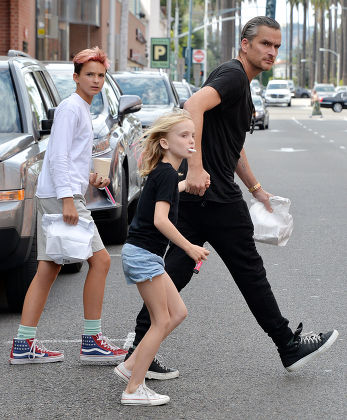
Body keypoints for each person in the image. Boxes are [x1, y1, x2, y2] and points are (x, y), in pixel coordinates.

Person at [123, 16, 339, 378]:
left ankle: (137, 352)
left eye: (276, 46)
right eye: (265, 44)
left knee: (176, 269)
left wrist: (256, 189)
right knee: (249, 272)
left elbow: (232, 147)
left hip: (203, 194)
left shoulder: (241, 83)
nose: (271, 51)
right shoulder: (235, 76)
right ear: (244, 43)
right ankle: (288, 345)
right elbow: (192, 107)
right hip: (216, 195)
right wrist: (195, 168)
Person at [9, 47, 127, 364]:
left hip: (63, 193)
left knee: (50, 267)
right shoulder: (70, 109)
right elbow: (57, 156)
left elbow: (68, 159)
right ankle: (91, 342)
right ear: (75, 77)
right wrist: (67, 199)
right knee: (101, 262)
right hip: (61, 197)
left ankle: (23, 345)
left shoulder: (80, 109)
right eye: (89, 74)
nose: (96, 80)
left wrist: (89, 177)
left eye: (101, 75)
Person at [114, 110, 209, 406]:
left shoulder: (166, 173)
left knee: (177, 312)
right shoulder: (167, 172)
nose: (191, 140)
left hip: (143, 254)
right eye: (183, 135)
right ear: (165, 142)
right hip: (144, 255)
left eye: (192, 135)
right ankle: (133, 389)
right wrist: (190, 247)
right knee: (160, 321)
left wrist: (185, 186)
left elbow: (163, 194)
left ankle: (129, 366)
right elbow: (160, 220)